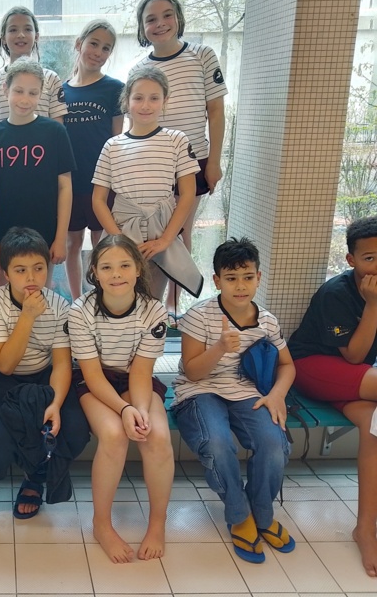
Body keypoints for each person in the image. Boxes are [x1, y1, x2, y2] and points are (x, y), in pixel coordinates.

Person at [0, 227, 90, 537]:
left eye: (38, 268)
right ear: (6, 272)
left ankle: (35, 479)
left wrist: (55, 404)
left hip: (43, 375)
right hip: (1, 377)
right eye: (21, 270)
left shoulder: (60, 305)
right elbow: (5, 363)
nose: (31, 277)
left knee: (75, 428)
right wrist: (27, 316)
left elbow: (61, 364)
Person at [173, 237, 295, 565]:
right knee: (216, 442)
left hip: (247, 393)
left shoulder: (266, 321)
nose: (240, 286)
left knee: (274, 443)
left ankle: (262, 513)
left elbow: (287, 365)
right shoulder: (199, 316)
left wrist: (276, 394)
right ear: (217, 281)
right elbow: (192, 372)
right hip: (198, 392)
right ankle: (240, 515)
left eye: (247, 277)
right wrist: (220, 348)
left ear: (258, 277)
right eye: (231, 278)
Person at [69, 234, 173, 563]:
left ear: (139, 269)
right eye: (107, 267)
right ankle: (102, 524)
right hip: (95, 381)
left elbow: (142, 371)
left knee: (157, 435)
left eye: (125, 265)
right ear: (94, 273)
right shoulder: (81, 311)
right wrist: (124, 409)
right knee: (114, 435)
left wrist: (138, 411)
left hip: (135, 379)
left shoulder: (154, 311)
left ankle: (157, 523)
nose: (116, 274)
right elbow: (92, 375)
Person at [289, 215, 377, 576]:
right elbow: (354, 355)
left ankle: (365, 529)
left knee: (374, 429)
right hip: (313, 367)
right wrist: (373, 305)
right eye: (370, 257)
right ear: (351, 259)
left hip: (357, 379)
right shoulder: (337, 293)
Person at [133, 0, 228, 315]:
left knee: (180, 232)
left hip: (194, 161)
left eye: (167, 15)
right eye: (151, 19)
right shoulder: (139, 68)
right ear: (142, 27)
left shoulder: (202, 55)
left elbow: (216, 111)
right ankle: (153, 303)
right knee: (157, 234)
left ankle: (174, 305)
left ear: (179, 18)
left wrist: (214, 161)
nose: (160, 23)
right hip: (153, 165)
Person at [91, 65, 202, 302]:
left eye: (154, 98)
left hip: (161, 230)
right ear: (126, 101)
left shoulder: (177, 140)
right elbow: (98, 200)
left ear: (165, 101)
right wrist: (119, 239)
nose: (145, 105)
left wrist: (165, 240)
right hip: (121, 231)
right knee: (116, 295)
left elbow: (188, 193)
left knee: (152, 299)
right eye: (138, 98)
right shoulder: (112, 146)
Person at [0, 57, 75, 286]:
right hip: (3, 233)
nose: (25, 99)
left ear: (41, 94)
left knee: (39, 294)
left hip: (44, 232)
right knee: (5, 296)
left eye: (33, 93)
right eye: (18, 91)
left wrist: (60, 238)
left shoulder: (55, 132)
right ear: (5, 89)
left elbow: (65, 187)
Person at [63, 20, 125, 300]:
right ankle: (78, 301)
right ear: (79, 44)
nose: (98, 52)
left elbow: (117, 138)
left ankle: (102, 297)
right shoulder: (61, 91)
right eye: (94, 44)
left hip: (101, 181)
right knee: (72, 242)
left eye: (106, 48)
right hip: (70, 182)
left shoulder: (115, 89)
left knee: (103, 244)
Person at [0, 6, 68, 124]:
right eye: (13, 30)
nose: (21, 35)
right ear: (3, 38)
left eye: (27, 29)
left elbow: (58, 126)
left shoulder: (52, 79)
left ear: (36, 36)